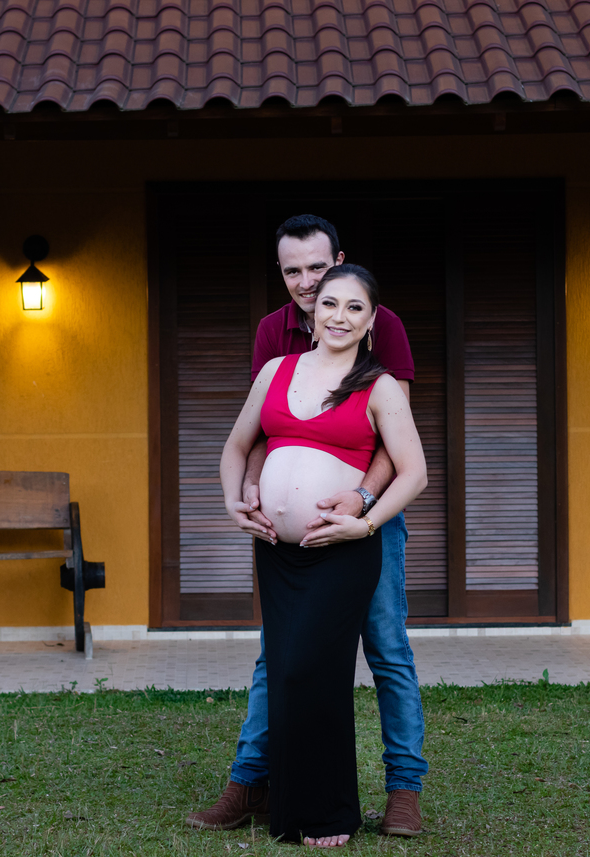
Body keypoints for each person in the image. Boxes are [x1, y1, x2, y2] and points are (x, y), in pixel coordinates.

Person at [186, 216, 430, 838]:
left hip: (362, 523)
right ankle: (252, 781)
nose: (307, 283)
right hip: (284, 546)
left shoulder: (381, 327)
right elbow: (264, 432)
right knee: (281, 658)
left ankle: (403, 790)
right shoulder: (275, 339)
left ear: (339, 265)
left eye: (317, 269)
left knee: (386, 649)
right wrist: (249, 491)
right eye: (293, 272)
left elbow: (394, 441)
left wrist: (362, 505)